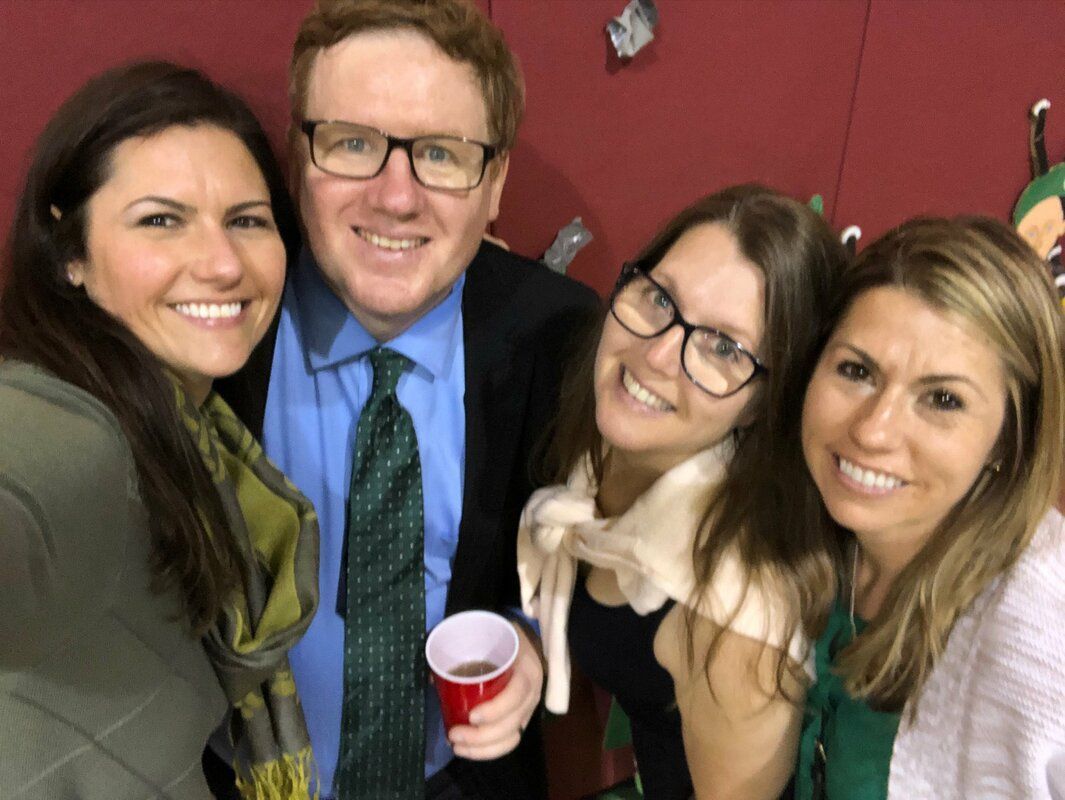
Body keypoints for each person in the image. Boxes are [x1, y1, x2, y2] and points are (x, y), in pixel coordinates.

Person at [210, 1, 598, 798]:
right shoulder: (211, 330)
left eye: (442, 155)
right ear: (296, 159)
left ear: (494, 186)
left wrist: (531, 641)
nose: (395, 196)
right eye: (353, 144)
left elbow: (588, 549)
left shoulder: (556, 337)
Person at [0, 62, 319, 799]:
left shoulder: (201, 436)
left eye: (246, 220)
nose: (221, 263)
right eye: (160, 220)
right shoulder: (78, 430)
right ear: (70, 251)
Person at [518, 184, 848, 799]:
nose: (658, 353)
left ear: (761, 405)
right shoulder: (614, 437)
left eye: (724, 347)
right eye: (660, 297)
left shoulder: (735, 621)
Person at [794, 216, 1065, 799]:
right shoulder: (815, 532)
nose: (873, 431)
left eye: (942, 399)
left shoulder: (1044, 634)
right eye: (856, 370)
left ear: (1008, 440)